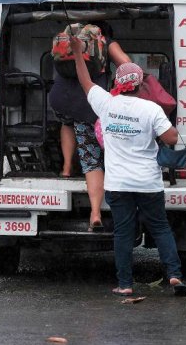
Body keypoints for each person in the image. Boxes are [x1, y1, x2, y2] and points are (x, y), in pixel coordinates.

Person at [70, 36, 186, 297]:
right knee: (160, 228)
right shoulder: (151, 108)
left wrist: (78, 52)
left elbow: (85, 81)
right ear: (140, 84)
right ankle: (174, 275)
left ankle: (125, 284)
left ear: (117, 83)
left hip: (118, 184)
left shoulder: (106, 104)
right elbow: (171, 138)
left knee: (123, 233)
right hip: (148, 182)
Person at [49, 21, 131, 231]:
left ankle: (66, 168)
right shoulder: (106, 41)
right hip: (89, 103)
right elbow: (126, 63)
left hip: (61, 97)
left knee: (66, 123)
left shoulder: (68, 38)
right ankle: (95, 212)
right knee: (91, 158)